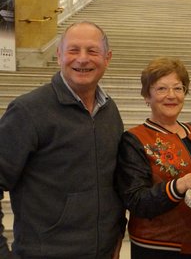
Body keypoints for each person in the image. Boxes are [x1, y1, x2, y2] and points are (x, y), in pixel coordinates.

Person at [0, 21, 125, 258]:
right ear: (59, 56)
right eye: (73, 50)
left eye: (92, 51)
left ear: (107, 58)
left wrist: (118, 233)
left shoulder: (109, 110)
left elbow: (113, 182)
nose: (82, 58)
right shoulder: (28, 111)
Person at [116, 57, 191, 259]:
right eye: (161, 89)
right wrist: (180, 184)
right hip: (158, 247)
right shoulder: (135, 139)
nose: (171, 96)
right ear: (146, 96)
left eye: (178, 88)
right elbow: (136, 200)